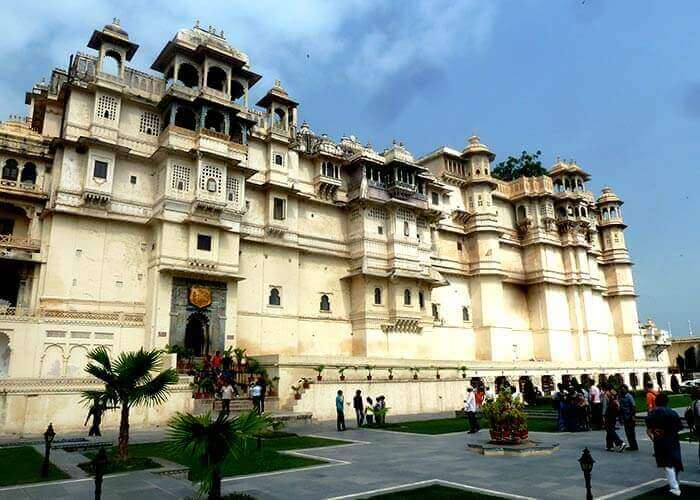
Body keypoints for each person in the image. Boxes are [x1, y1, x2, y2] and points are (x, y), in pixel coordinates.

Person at [646, 393, 684, 496]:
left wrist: (655, 438)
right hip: (673, 440)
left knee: (667, 464)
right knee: (675, 461)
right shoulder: (672, 413)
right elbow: (679, 427)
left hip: (660, 441)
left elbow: (648, 431)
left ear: (656, 401)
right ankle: (675, 482)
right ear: (667, 402)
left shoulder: (652, 414)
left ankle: (675, 488)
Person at [619, 385, 638, 450]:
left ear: (626, 390)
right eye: (621, 389)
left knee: (631, 432)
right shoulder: (621, 397)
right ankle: (631, 445)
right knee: (627, 432)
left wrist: (633, 416)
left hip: (630, 416)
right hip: (625, 416)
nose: (622, 390)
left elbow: (633, 406)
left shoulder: (629, 396)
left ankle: (634, 446)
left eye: (623, 389)